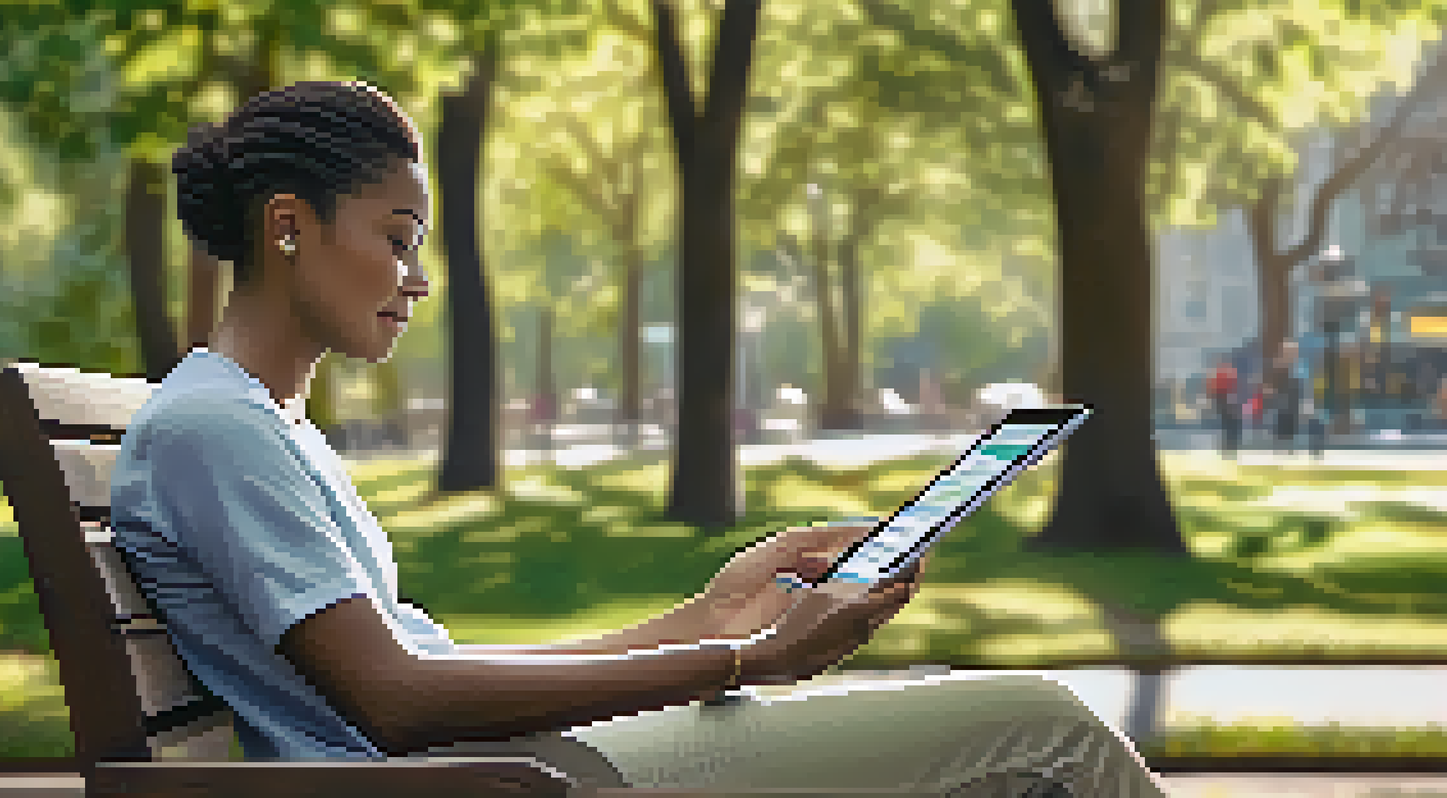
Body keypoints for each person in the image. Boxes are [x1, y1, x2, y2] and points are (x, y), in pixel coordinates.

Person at [109, 81, 1165, 797]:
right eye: (397, 241)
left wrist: (709, 616)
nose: (419, 281)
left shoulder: (255, 424)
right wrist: (743, 657)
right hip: (509, 781)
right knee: (1046, 729)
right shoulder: (215, 429)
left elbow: (439, 673)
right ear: (289, 226)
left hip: (514, 764)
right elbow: (399, 702)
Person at [1209, 358, 1240, 458]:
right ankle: (1229, 449)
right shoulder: (1229, 372)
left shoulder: (1222, 372)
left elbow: (1214, 389)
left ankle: (1228, 449)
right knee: (1230, 426)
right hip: (1228, 402)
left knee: (1227, 427)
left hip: (1225, 401)